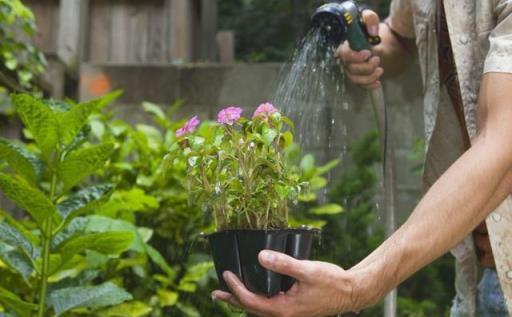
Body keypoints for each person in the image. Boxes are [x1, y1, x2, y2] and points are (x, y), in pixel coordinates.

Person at [212, 0, 512, 316]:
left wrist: (357, 286)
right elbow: (401, 37)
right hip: (487, 270)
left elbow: (503, 149)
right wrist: (366, 45)